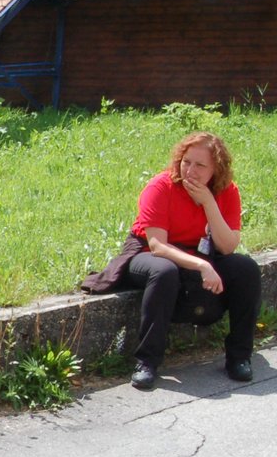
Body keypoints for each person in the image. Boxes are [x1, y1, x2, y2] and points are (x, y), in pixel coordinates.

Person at [84, 131, 261, 390]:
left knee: (246, 269)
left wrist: (209, 203)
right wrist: (202, 265)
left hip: (200, 252)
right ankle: (147, 362)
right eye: (186, 162)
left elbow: (227, 246)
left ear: (217, 169)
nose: (190, 171)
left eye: (200, 165)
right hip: (148, 252)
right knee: (165, 272)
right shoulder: (161, 186)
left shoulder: (227, 191)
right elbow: (157, 246)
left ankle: (239, 357)